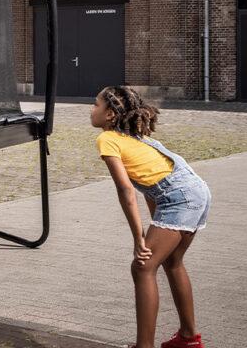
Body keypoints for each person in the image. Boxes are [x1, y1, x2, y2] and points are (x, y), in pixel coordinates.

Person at [91, 86, 211, 348]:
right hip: (196, 190)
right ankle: (189, 339)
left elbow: (126, 190)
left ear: (110, 114)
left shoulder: (108, 139)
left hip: (179, 197)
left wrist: (139, 239)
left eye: (96, 104)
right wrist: (155, 227)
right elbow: (151, 184)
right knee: (173, 262)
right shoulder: (135, 136)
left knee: (142, 267)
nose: (91, 109)